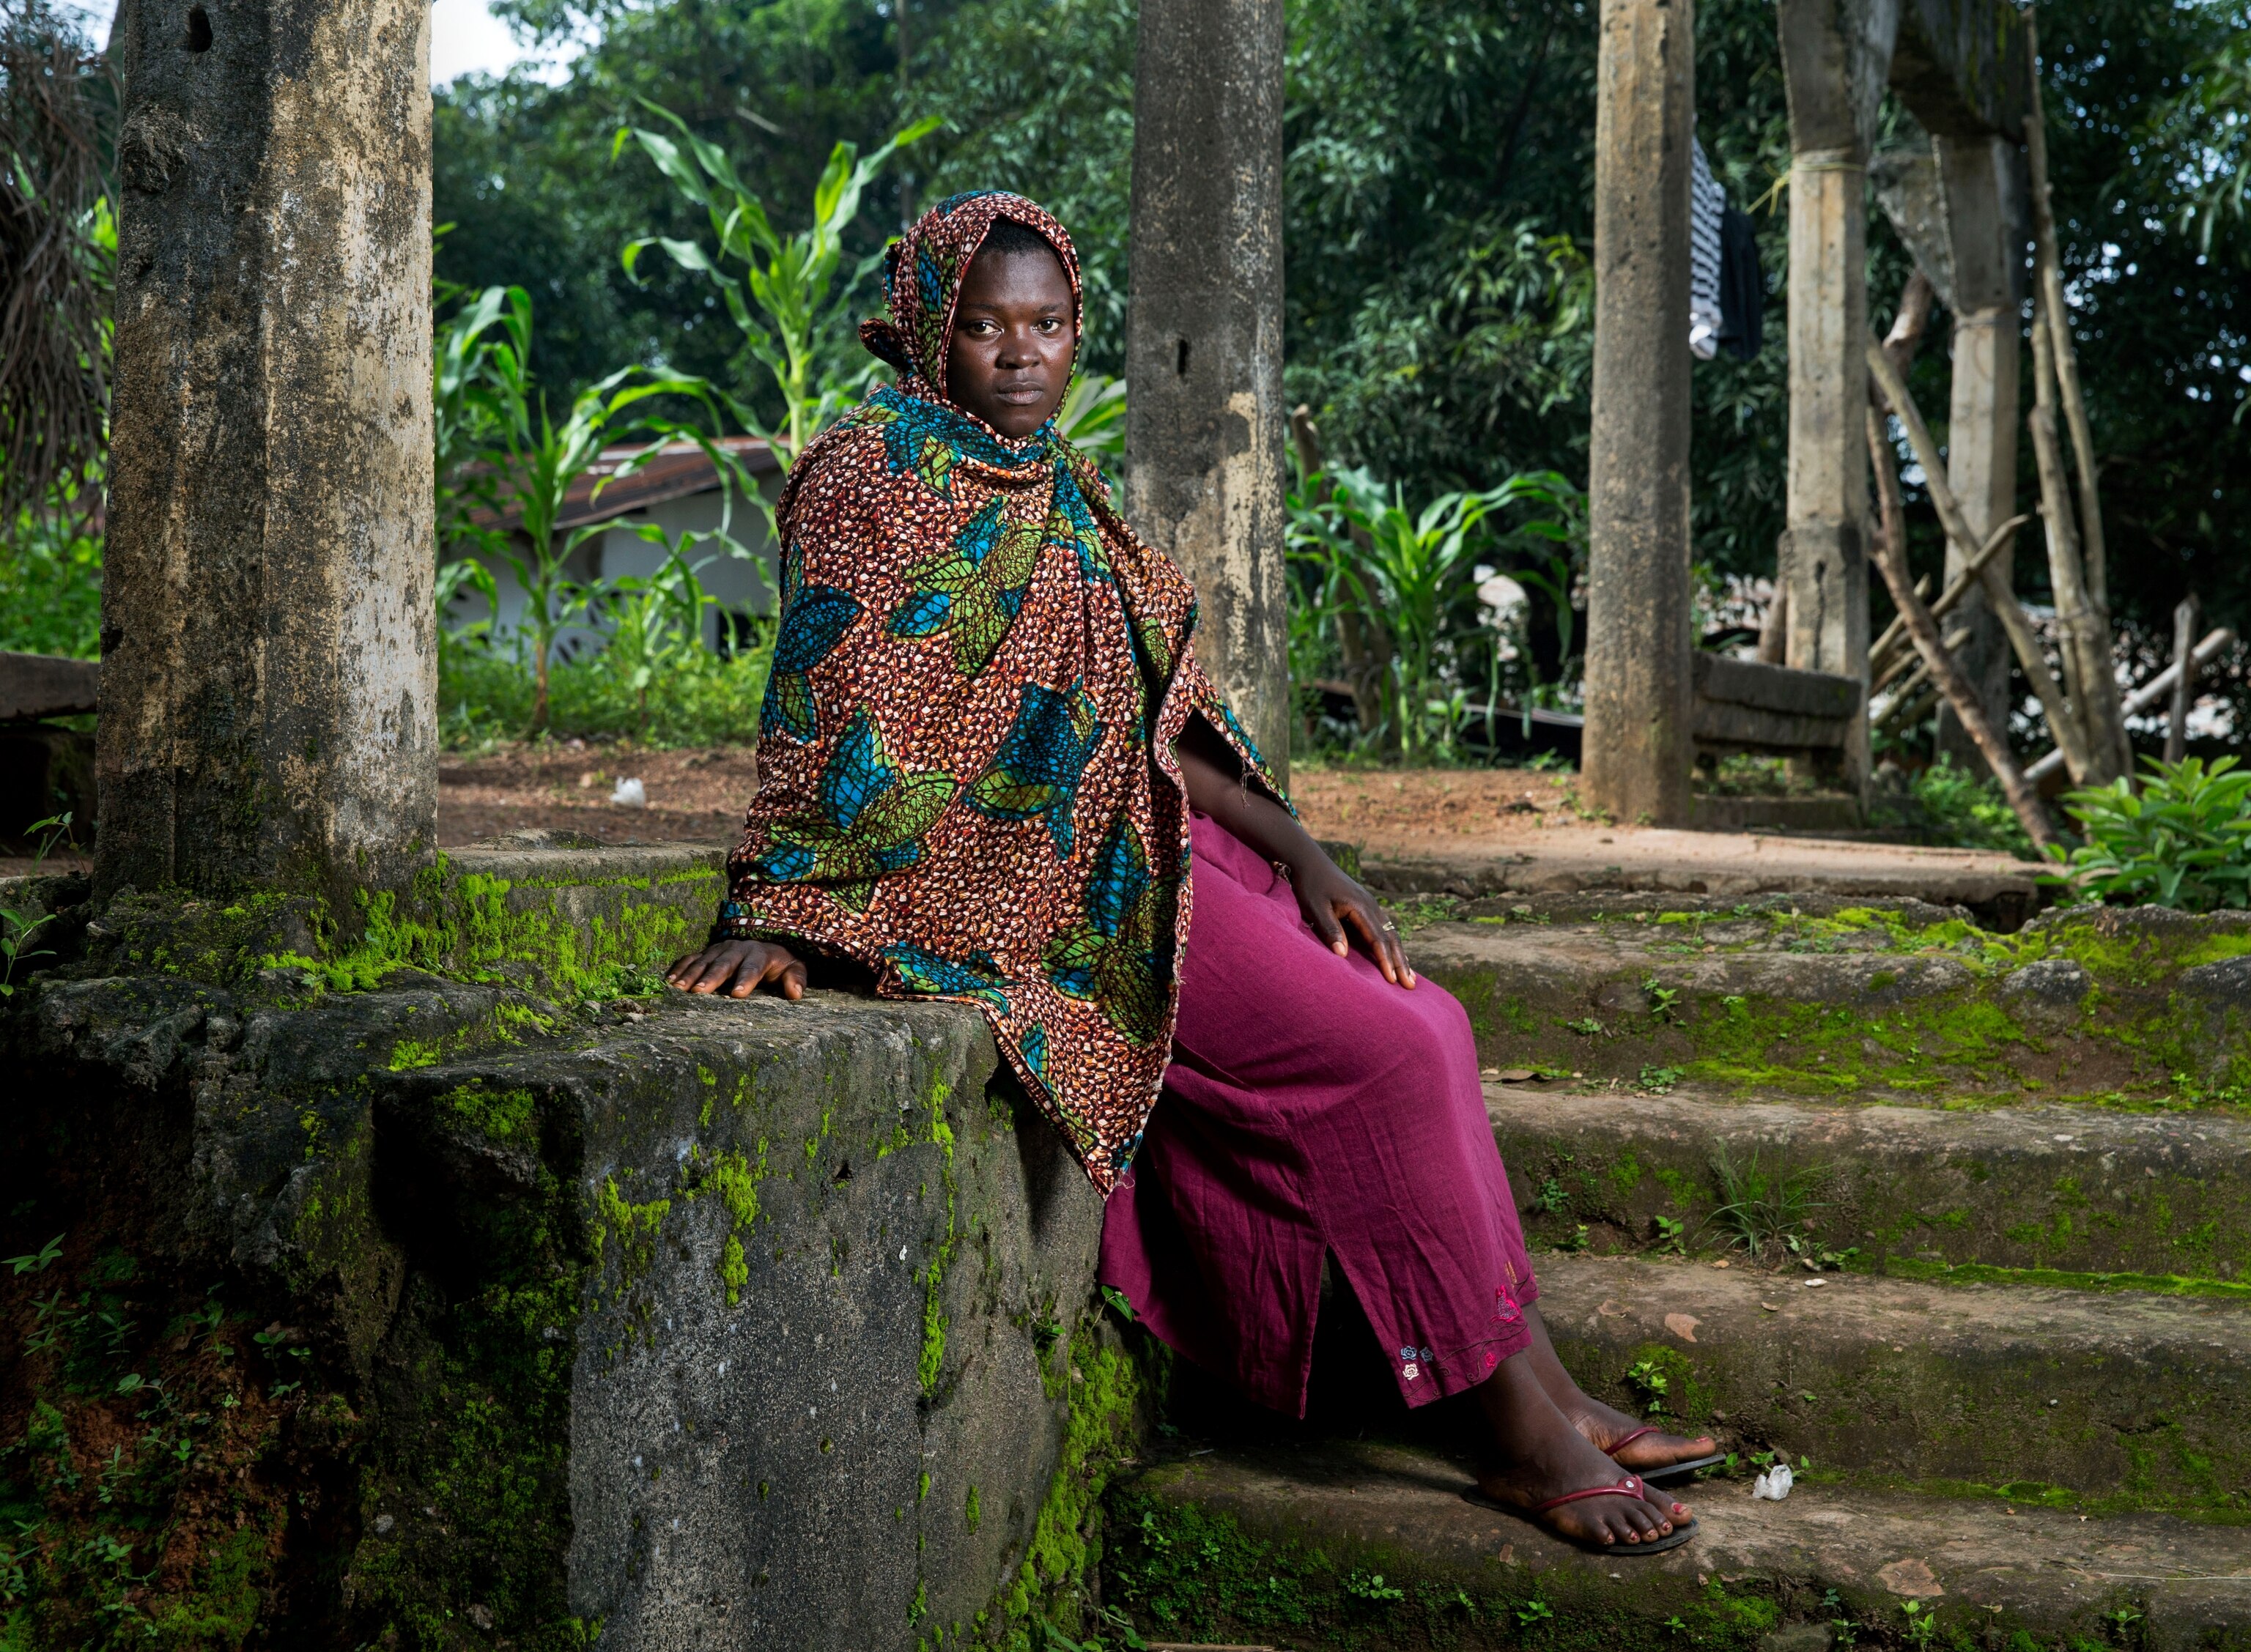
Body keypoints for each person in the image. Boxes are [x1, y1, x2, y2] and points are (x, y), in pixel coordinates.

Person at [666, 192, 1712, 1553]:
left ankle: (1544, 1386)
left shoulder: (1062, 491)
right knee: (1384, 1058)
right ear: (930, 328)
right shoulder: (877, 475)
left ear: (1078, 333)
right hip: (1033, 895)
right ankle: (1512, 1438)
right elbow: (831, 698)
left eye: (1047, 325)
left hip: (1146, 837)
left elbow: (1160, 724)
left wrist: (1310, 852)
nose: (1019, 354)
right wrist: (780, 908)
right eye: (984, 326)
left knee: (1433, 1020)